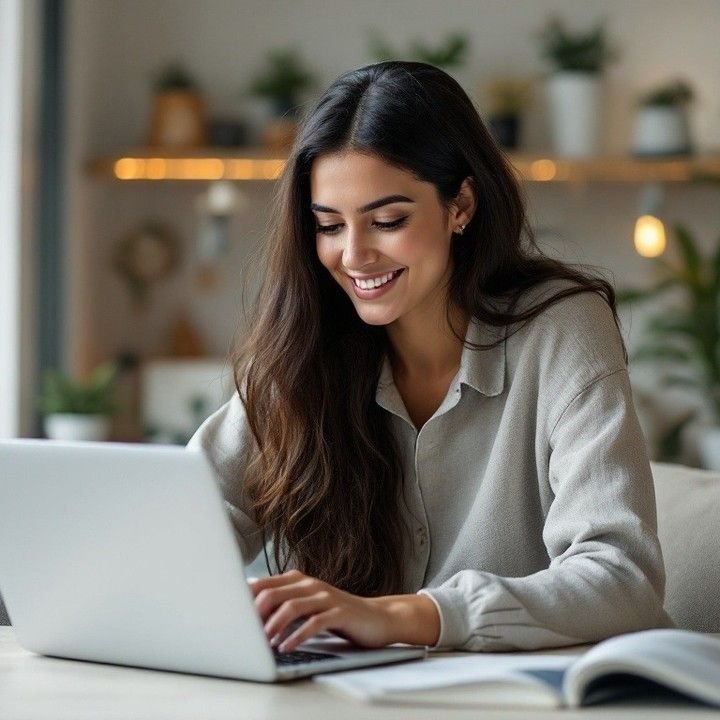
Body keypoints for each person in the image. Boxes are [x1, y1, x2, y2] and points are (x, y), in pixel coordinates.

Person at [188, 60, 672, 654]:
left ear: (460, 205)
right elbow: (186, 521)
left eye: (387, 221)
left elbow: (622, 579)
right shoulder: (303, 348)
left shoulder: (561, 328)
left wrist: (403, 617)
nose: (354, 254)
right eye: (329, 226)